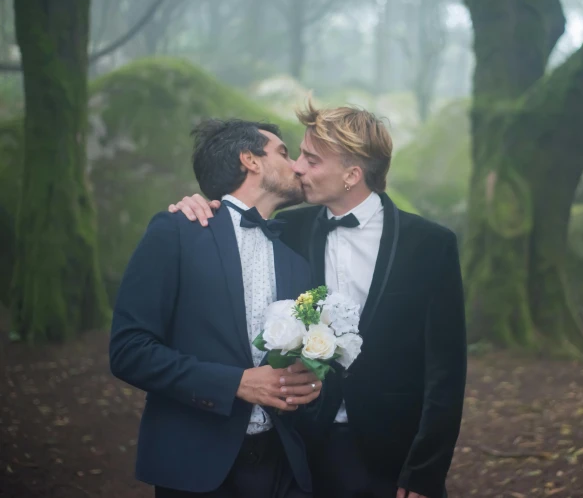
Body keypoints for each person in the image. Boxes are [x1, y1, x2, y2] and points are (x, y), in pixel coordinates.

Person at [170, 102, 467, 498]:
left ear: (352, 175)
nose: (297, 167)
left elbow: (446, 372)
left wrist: (425, 471)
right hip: (301, 453)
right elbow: (232, 223)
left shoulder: (431, 245)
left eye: (311, 159)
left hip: (393, 457)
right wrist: (196, 205)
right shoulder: (283, 230)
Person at [110, 119, 323, 498]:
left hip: (282, 467)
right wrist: (235, 384)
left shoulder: (297, 258)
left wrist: (308, 378)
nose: (295, 166)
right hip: (195, 465)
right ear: (250, 160)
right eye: (283, 153)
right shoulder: (176, 231)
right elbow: (129, 351)